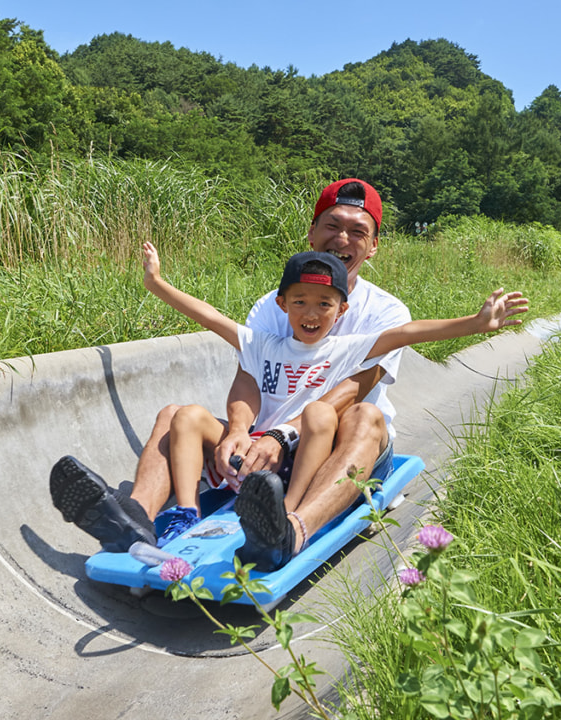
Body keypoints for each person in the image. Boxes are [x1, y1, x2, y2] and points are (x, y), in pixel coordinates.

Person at [51, 180, 423, 557]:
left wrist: (281, 437)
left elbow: (352, 390)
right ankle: (132, 521)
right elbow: (249, 377)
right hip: (267, 447)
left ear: (373, 246)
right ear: (312, 233)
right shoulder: (275, 304)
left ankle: (291, 530)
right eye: (332, 225)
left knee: (365, 415)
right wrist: (241, 431)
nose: (342, 238)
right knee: (173, 416)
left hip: (338, 447)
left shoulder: (386, 312)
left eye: (358, 231)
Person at [133, 240, 527, 570]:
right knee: (185, 415)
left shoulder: (348, 349)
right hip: (256, 455)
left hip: (306, 459)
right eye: (300, 301)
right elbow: (209, 316)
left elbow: (407, 333)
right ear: (282, 303)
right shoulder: (262, 343)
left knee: (320, 411)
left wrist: (474, 324)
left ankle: (284, 516)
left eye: (325, 303)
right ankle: (184, 512)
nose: (311, 312)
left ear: (342, 311)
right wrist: (157, 284)